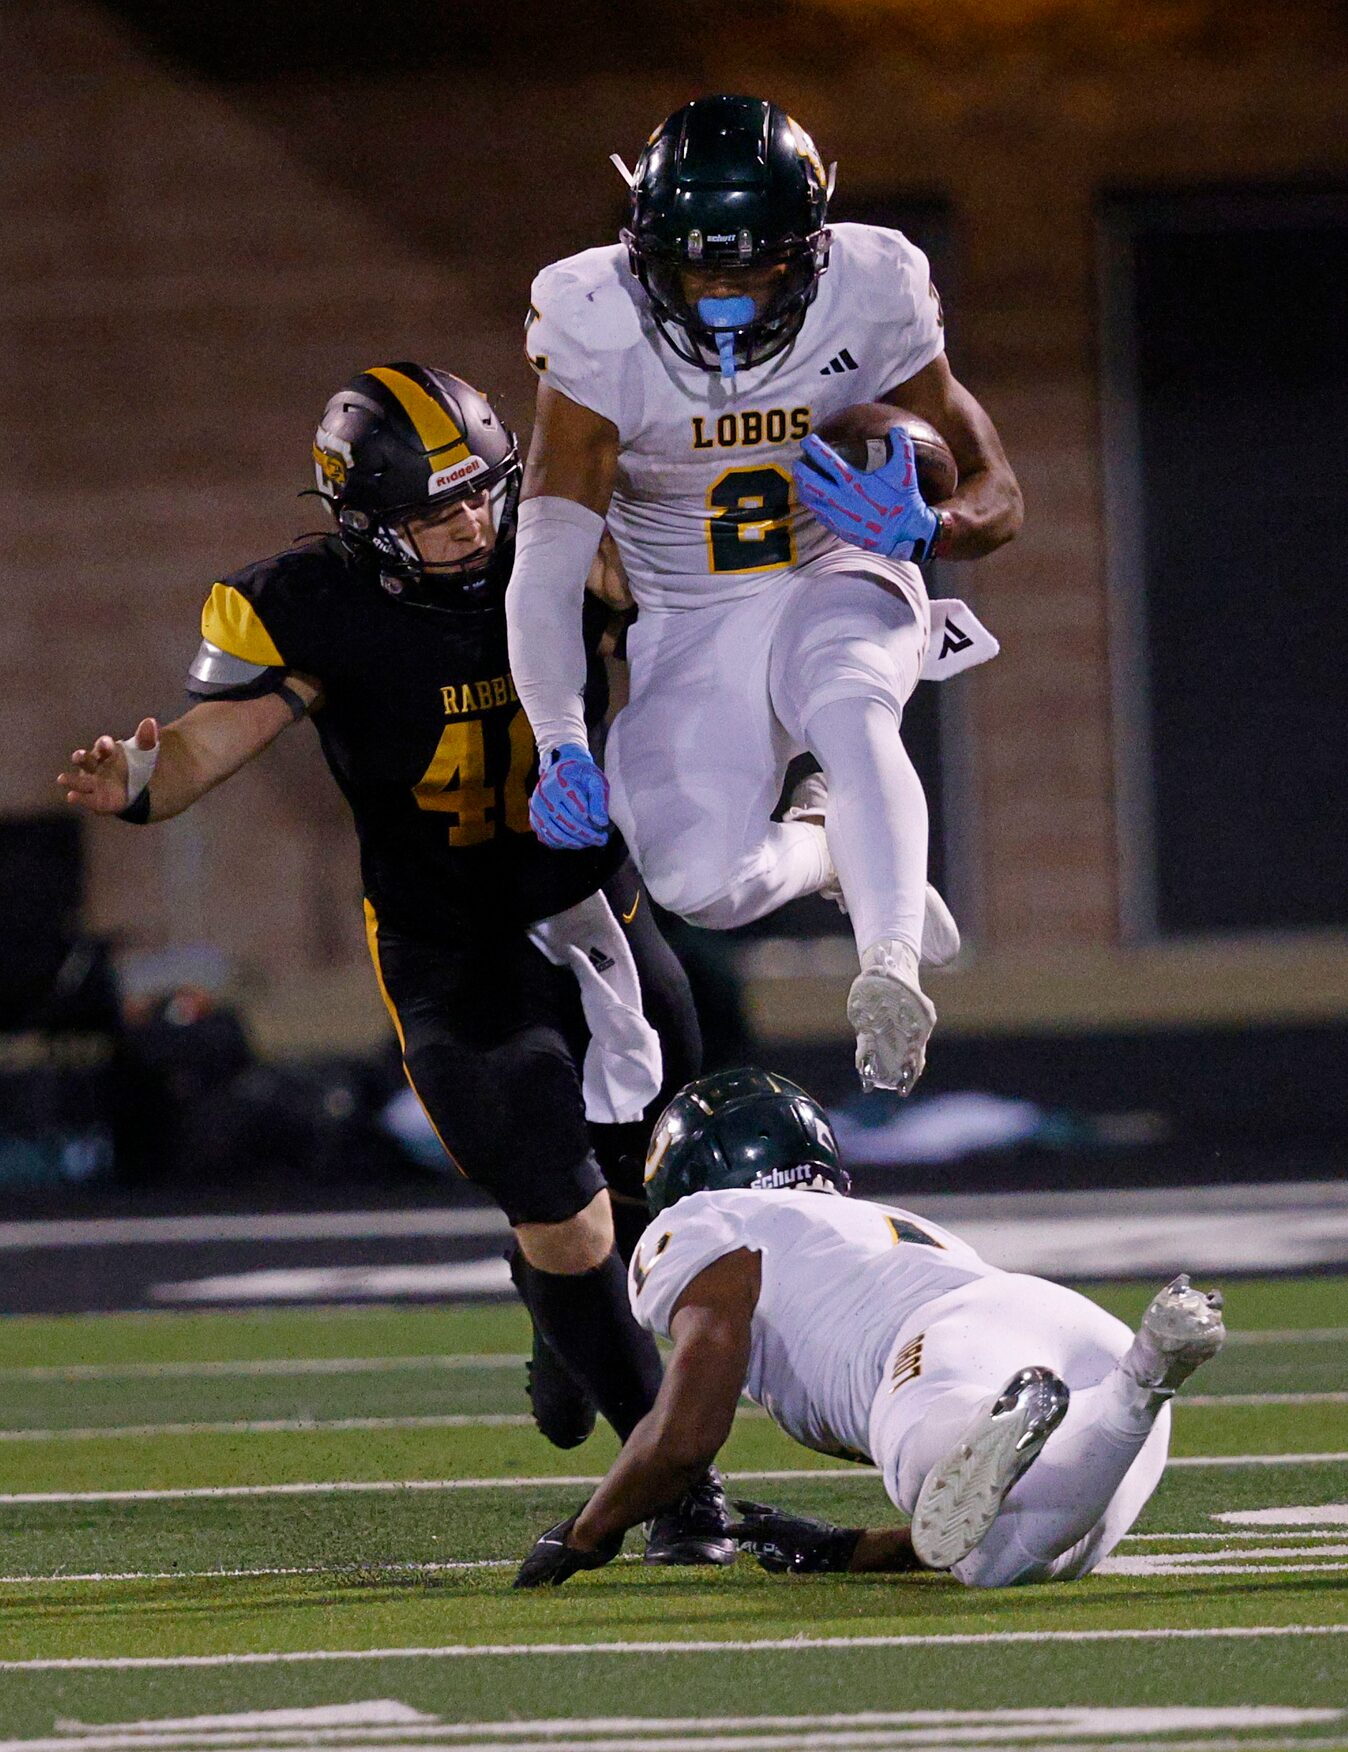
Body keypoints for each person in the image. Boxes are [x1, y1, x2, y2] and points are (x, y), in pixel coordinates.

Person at [59, 361, 732, 1566]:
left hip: (593, 909)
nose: (468, 525)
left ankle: (557, 1316)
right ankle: (677, 1488)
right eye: (432, 512)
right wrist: (147, 785)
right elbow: (218, 736)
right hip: (445, 943)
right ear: (363, 527)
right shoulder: (312, 605)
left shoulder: (567, 543)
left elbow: (706, 629)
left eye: (479, 495)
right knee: (569, 1215)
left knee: (651, 1181)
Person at [506, 94, 1023, 1095]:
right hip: (688, 616)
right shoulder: (595, 320)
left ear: (811, 249)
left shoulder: (873, 288)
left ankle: (889, 970)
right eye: (696, 268)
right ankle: (826, 847)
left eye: (751, 268)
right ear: (645, 251)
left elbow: (998, 491)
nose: (721, 299)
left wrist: (932, 530)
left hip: (834, 565)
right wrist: (560, 738)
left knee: (852, 702)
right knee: (698, 882)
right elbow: (550, 556)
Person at [514, 1067, 1226, 1588]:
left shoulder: (706, 1221)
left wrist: (585, 1536)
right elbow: (959, 1514)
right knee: (1013, 1557)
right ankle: (1138, 1386)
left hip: (942, 1342)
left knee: (943, 1480)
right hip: (1058, 1324)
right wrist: (843, 1548)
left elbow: (687, 1438)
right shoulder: (871, 1224)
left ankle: (1111, 1394)